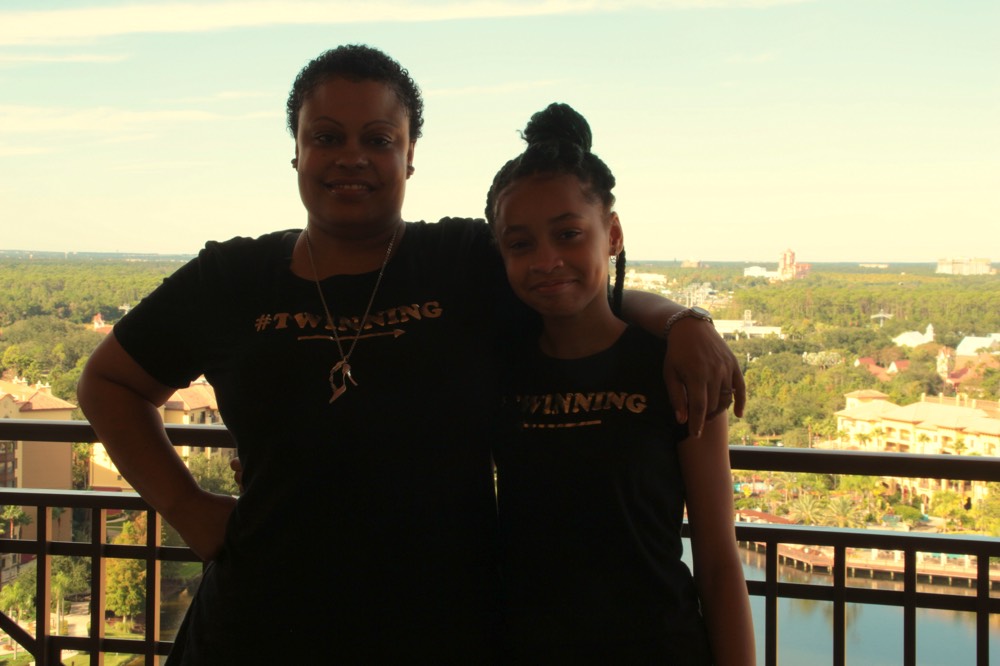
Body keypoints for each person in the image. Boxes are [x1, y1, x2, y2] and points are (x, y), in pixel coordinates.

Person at [77, 45, 745, 664]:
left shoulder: (459, 260)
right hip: (259, 627)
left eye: (378, 139)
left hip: (441, 631)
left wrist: (686, 320)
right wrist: (188, 507)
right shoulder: (231, 277)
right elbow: (108, 383)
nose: (351, 156)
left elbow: (567, 280)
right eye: (326, 136)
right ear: (297, 153)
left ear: (410, 155)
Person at [485, 103, 755, 664]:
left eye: (567, 234)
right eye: (521, 244)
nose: (546, 260)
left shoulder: (673, 367)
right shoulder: (494, 366)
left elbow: (717, 555)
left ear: (611, 235)